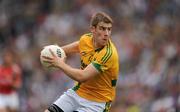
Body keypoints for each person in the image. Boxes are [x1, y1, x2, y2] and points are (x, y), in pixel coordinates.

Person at [42, 12, 119, 112]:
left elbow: (82, 77)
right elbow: (78, 45)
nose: (106, 33)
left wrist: (60, 64)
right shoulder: (86, 39)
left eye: (109, 29)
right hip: (78, 93)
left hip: (97, 103)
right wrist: (57, 51)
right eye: (102, 28)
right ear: (93, 29)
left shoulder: (108, 54)